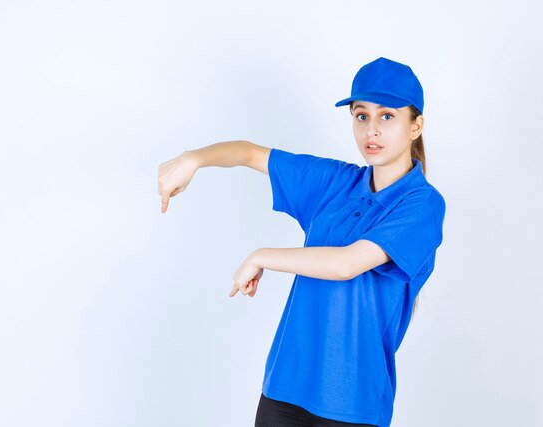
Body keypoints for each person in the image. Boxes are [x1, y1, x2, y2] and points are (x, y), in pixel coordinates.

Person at [157, 57, 446, 427]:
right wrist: (193, 159)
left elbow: (347, 264)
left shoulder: (422, 204)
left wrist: (262, 256)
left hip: (351, 402)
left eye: (387, 116)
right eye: (361, 116)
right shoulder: (334, 183)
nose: (371, 130)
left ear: (415, 125)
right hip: (285, 387)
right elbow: (249, 153)